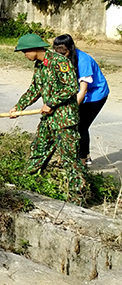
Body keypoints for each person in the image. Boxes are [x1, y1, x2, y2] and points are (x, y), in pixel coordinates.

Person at [10, 33, 86, 202]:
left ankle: (77, 197)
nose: (24, 55)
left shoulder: (60, 62)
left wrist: (51, 103)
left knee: (69, 159)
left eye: (24, 52)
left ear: (33, 49)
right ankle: (29, 183)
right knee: (38, 150)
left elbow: (72, 87)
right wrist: (19, 106)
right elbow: (34, 89)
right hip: (49, 120)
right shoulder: (39, 66)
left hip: (64, 120)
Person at [52, 34, 109, 166]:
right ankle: (80, 155)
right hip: (78, 93)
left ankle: (82, 161)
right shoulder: (60, 58)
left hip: (95, 95)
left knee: (80, 126)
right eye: (57, 52)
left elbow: (83, 90)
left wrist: (70, 109)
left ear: (70, 49)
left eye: (63, 52)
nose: (60, 55)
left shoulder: (83, 60)